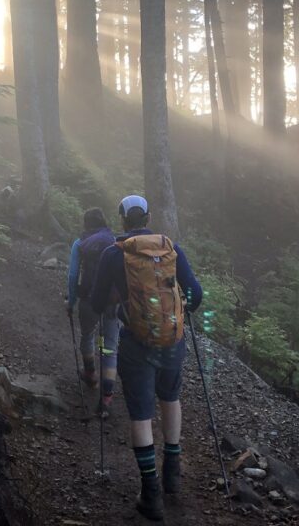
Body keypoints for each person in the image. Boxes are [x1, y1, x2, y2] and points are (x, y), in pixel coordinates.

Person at [90, 195, 203, 522]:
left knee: (140, 414)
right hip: (172, 341)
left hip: (136, 342)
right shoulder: (171, 248)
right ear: (149, 217)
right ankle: (173, 473)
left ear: (122, 220)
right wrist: (183, 313)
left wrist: (117, 300)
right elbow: (196, 293)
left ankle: (150, 493)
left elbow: (98, 303)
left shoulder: (114, 254)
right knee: (171, 397)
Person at [65, 207, 120, 415]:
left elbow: (72, 276)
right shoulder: (115, 241)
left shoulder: (80, 244)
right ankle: (106, 398)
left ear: (85, 224)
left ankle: (90, 375)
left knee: (88, 335)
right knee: (110, 347)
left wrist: (71, 302)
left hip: (88, 299)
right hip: (112, 303)